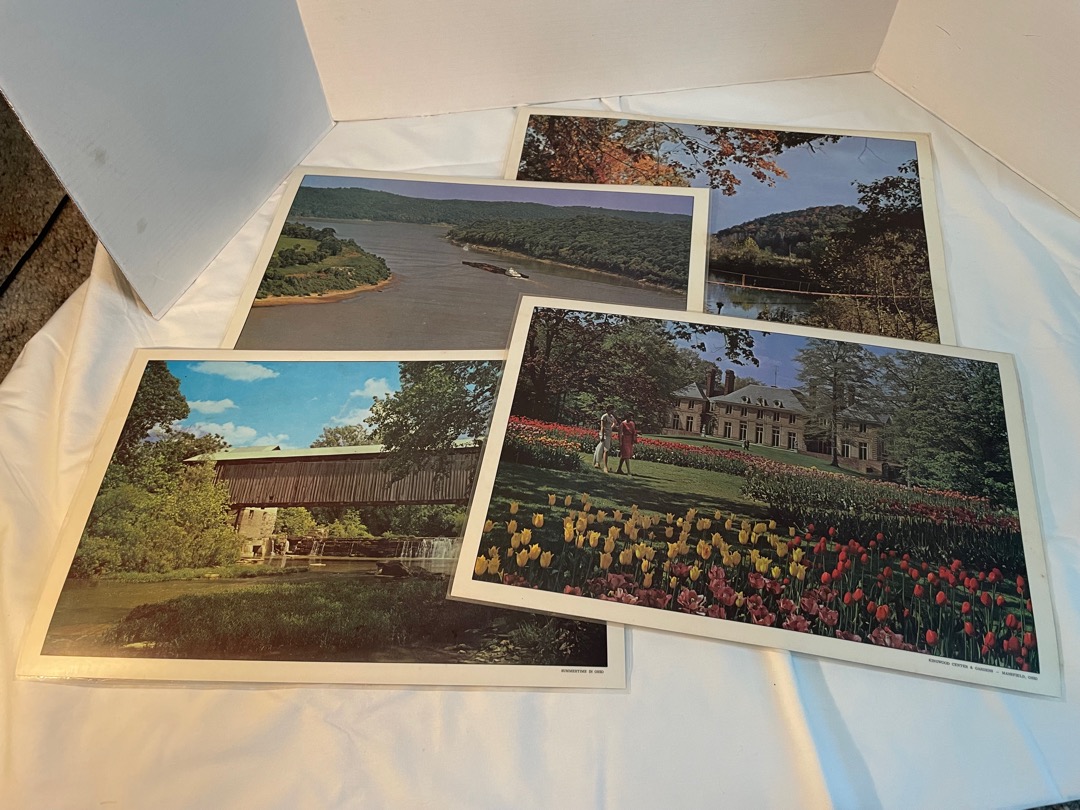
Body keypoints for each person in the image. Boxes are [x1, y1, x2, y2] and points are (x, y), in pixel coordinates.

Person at [595, 405, 617, 472]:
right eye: (611, 409)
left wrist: (611, 427)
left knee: (603, 449)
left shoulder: (612, 417)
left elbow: (615, 422)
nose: (612, 411)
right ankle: (605, 466)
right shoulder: (604, 416)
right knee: (605, 450)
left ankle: (598, 463)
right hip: (604, 434)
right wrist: (602, 436)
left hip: (609, 434)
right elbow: (602, 426)